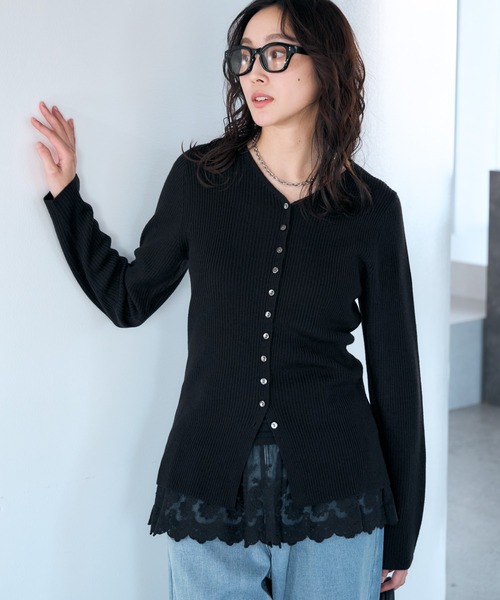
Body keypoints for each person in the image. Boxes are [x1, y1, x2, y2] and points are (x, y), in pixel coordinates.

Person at [31, 0, 425, 598]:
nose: (254, 72)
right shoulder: (202, 179)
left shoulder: (371, 209)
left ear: (326, 63)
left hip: (339, 496)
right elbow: (128, 299)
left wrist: (402, 534)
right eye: (244, 56)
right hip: (209, 490)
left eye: (276, 53)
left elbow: (397, 378)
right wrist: (66, 196)